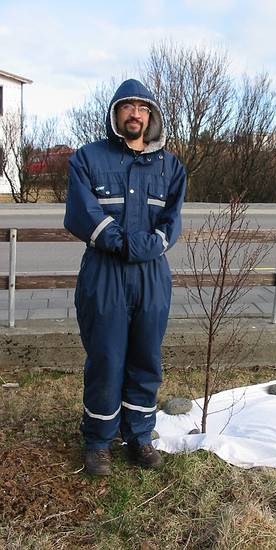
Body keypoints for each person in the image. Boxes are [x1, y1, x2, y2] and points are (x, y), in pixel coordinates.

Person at [64, 79, 186, 475]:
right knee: (106, 357)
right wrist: (122, 243)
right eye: (127, 106)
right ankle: (99, 440)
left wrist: (145, 247)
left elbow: (171, 223)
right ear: (116, 113)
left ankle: (140, 436)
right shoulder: (88, 158)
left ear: (151, 116)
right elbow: (83, 215)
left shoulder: (170, 166)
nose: (135, 113)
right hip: (105, 272)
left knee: (146, 357)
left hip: (152, 276)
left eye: (142, 107)